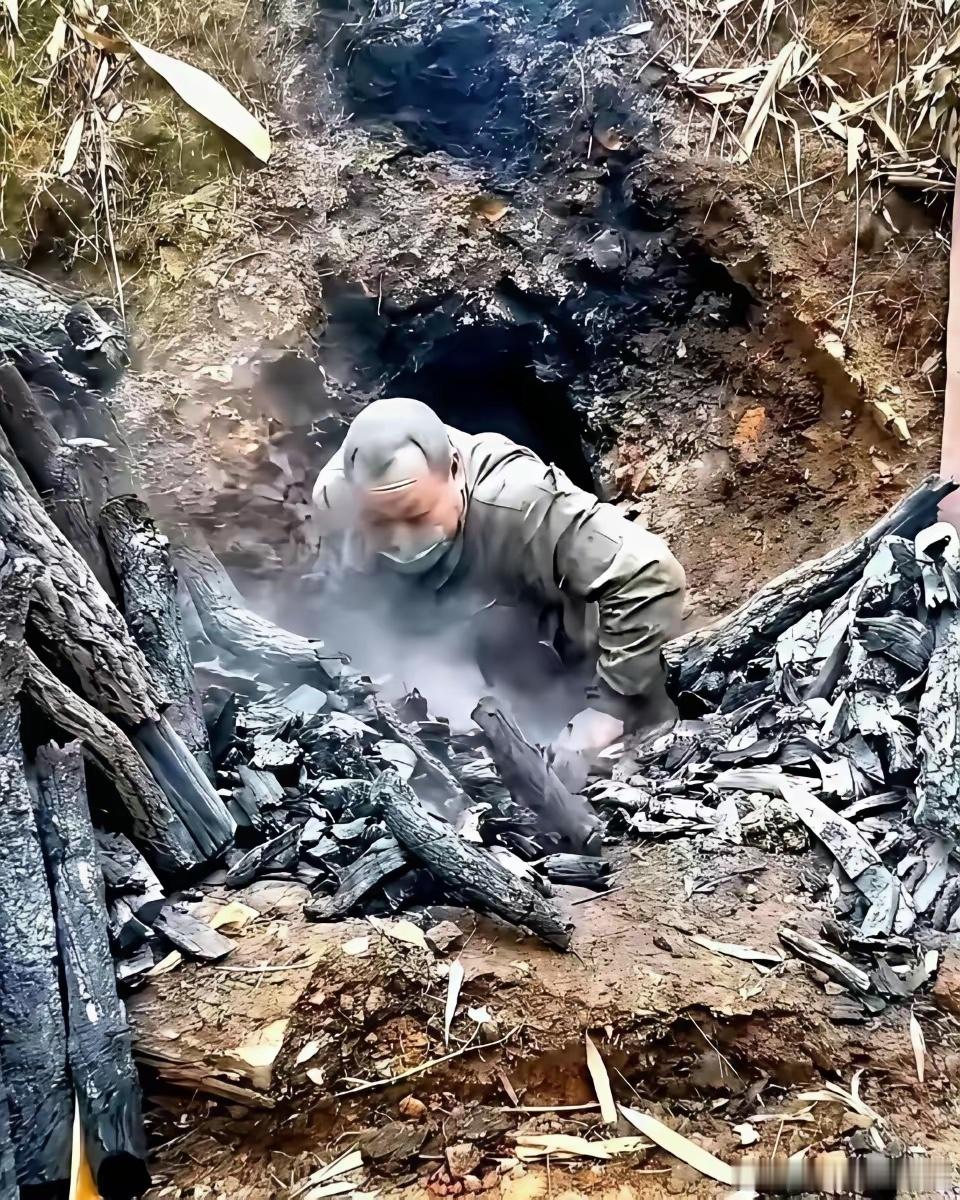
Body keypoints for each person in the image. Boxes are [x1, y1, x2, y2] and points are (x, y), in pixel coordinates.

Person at [312, 396, 685, 762]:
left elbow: (648, 573)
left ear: (455, 472)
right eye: (380, 522)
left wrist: (609, 709)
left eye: (417, 516)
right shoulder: (335, 501)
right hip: (441, 636)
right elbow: (350, 601)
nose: (402, 540)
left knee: (625, 746)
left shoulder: (520, 501)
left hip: (556, 632)